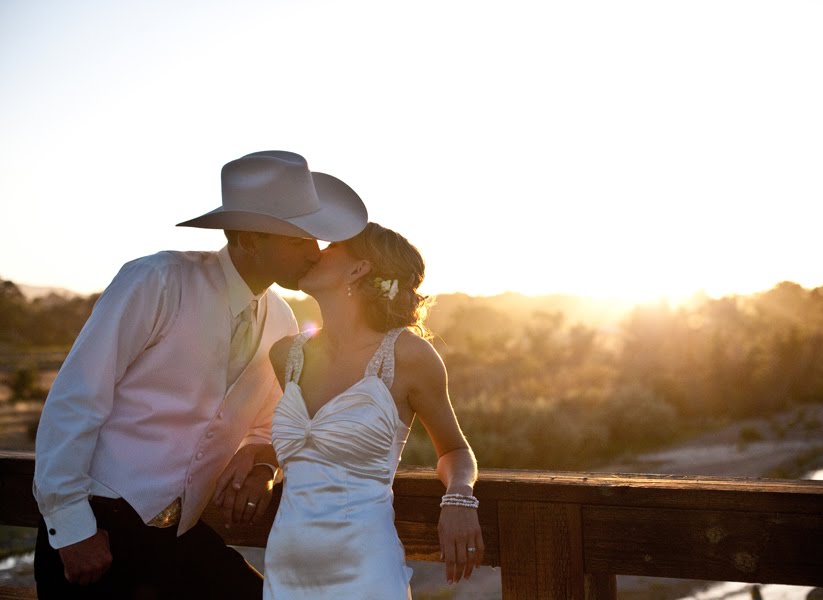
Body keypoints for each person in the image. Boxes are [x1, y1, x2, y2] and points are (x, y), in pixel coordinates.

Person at [31, 151, 368, 599]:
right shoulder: (156, 281)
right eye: (298, 240)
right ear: (249, 237)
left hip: (180, 537)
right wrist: (72, 527)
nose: (314, 252)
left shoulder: (283, 319)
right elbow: (76, 399)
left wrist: (262, 463)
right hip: (97, 534)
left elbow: (265, 422)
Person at [214, 222, 484, 599]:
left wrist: (459, 496)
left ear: (359, 269)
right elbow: (311, 445)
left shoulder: (408, 356)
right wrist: (261, 460)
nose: (314, 251)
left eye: (332, 246)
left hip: (364, 573)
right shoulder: (286, 355)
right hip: (286, 573)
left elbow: (454, 449)